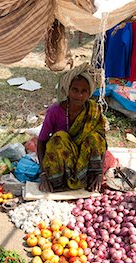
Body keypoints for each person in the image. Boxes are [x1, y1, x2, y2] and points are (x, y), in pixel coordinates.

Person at [37, 63, 107, 193]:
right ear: (68, 90)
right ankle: (58, 181)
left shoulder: (94, 110)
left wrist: (99, 173)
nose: (79, 95)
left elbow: (102, 142)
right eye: (75, 90)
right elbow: (41, 141)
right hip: (63, 161)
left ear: (89, 93)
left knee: (95, 138)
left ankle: (89, 178)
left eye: (84, 91)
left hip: (84, 163)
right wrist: (43, 174)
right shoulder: (55, 111)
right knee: (59, 138)